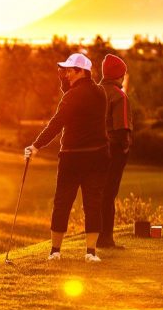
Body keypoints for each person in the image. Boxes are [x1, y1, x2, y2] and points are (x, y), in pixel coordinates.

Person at [25, 51, 108, 262]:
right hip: (98, 157)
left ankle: (55, 251)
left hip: (72, 158)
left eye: (70, 71)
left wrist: (36, 146)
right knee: (93, 203)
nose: (66, 74)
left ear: (81, 71)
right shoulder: (100, 93)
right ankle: (91, 253)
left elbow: (56, 123)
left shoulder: (71, 96)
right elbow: (76, 99)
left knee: (62, 202)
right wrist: (66, 85)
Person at [98, 53, 133, 249]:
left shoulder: (96, 91)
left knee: (99, 193)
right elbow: (122, 128)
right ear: (119, 75)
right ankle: (106, 239)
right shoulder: (119, 96)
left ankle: (95, 235)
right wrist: (126, 147)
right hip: (113, 149)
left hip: (95, 148)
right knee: (109, 193)